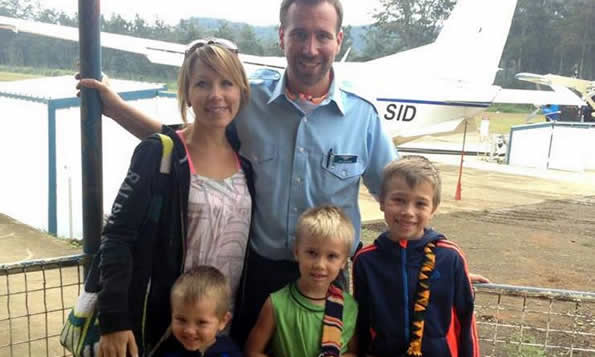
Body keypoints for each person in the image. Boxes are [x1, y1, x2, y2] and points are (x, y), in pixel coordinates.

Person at [78, 0, 486, 346]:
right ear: (282, 37)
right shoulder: (247, 99)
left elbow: (403, 202)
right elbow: (189, 144)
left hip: (328, 279)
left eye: (323, 36)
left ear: (339, 40)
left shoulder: (364, 118)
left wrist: (441, 258)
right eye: (299, 34)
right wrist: (114, 109)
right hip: (258, 275)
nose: (311, 48)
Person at [95, 39, 254, 357]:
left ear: (241, 91)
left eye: (226, 83)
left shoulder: (246, 161)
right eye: (202, 84)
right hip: (168, 330)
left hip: (223, 329)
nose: (216, 95)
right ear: (187, 94)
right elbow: (117, 236)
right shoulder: (159, 154)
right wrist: (114, 319)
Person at [352, 156, 479, 357]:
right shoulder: (366, 261)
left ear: (433, 209)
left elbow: (466, 320)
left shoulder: (450, 257)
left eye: (420, 204)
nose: (408, 212)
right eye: (399, 200)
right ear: (382, 202)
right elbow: (361, 322)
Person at [245, 206, 357, 357]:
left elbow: (354, 352)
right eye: (312, 253)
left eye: (331, 256)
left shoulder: (349, 307)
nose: (320, 264)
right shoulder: (276, 304)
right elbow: (252, 351)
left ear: (344, 261)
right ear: (297, 252)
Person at [150, 266, 242, 356]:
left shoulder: (229, 353)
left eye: (201, 322)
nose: (189, 330)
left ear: (223, 321)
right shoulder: (166, 349)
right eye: (181, 320)